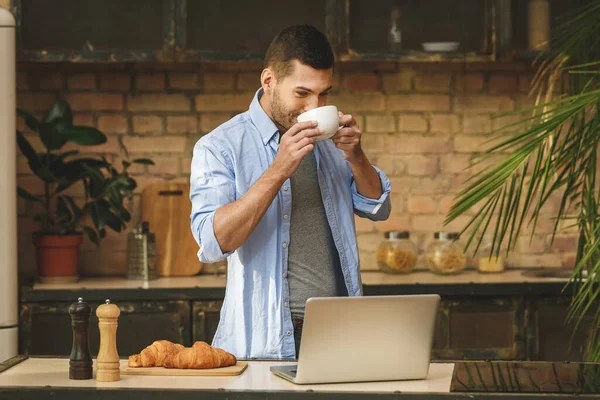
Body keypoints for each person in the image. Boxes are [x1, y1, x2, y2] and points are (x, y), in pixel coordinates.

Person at [189, 24, 392, 360]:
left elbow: (377, 207)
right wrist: (279, 169)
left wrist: (356, 156)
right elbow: (213, 242)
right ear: (269, 81)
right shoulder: (220, 147)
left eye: (323, 93)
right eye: (302, 93)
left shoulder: (328, 142)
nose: (313, 106)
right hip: (265, 345)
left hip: (340, 335)